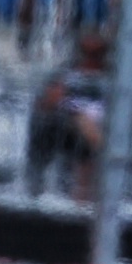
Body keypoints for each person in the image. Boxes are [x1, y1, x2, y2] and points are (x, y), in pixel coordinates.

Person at [30, 31, 110, 199]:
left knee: (89, 131)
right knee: (81, 123)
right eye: (86, 53)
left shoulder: (111, 77)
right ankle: (105, 153)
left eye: (96, 54)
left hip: (102, 124)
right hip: (66, 122)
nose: (90, 58)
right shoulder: (66, 73)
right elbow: (45, 101)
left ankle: (83, 193)